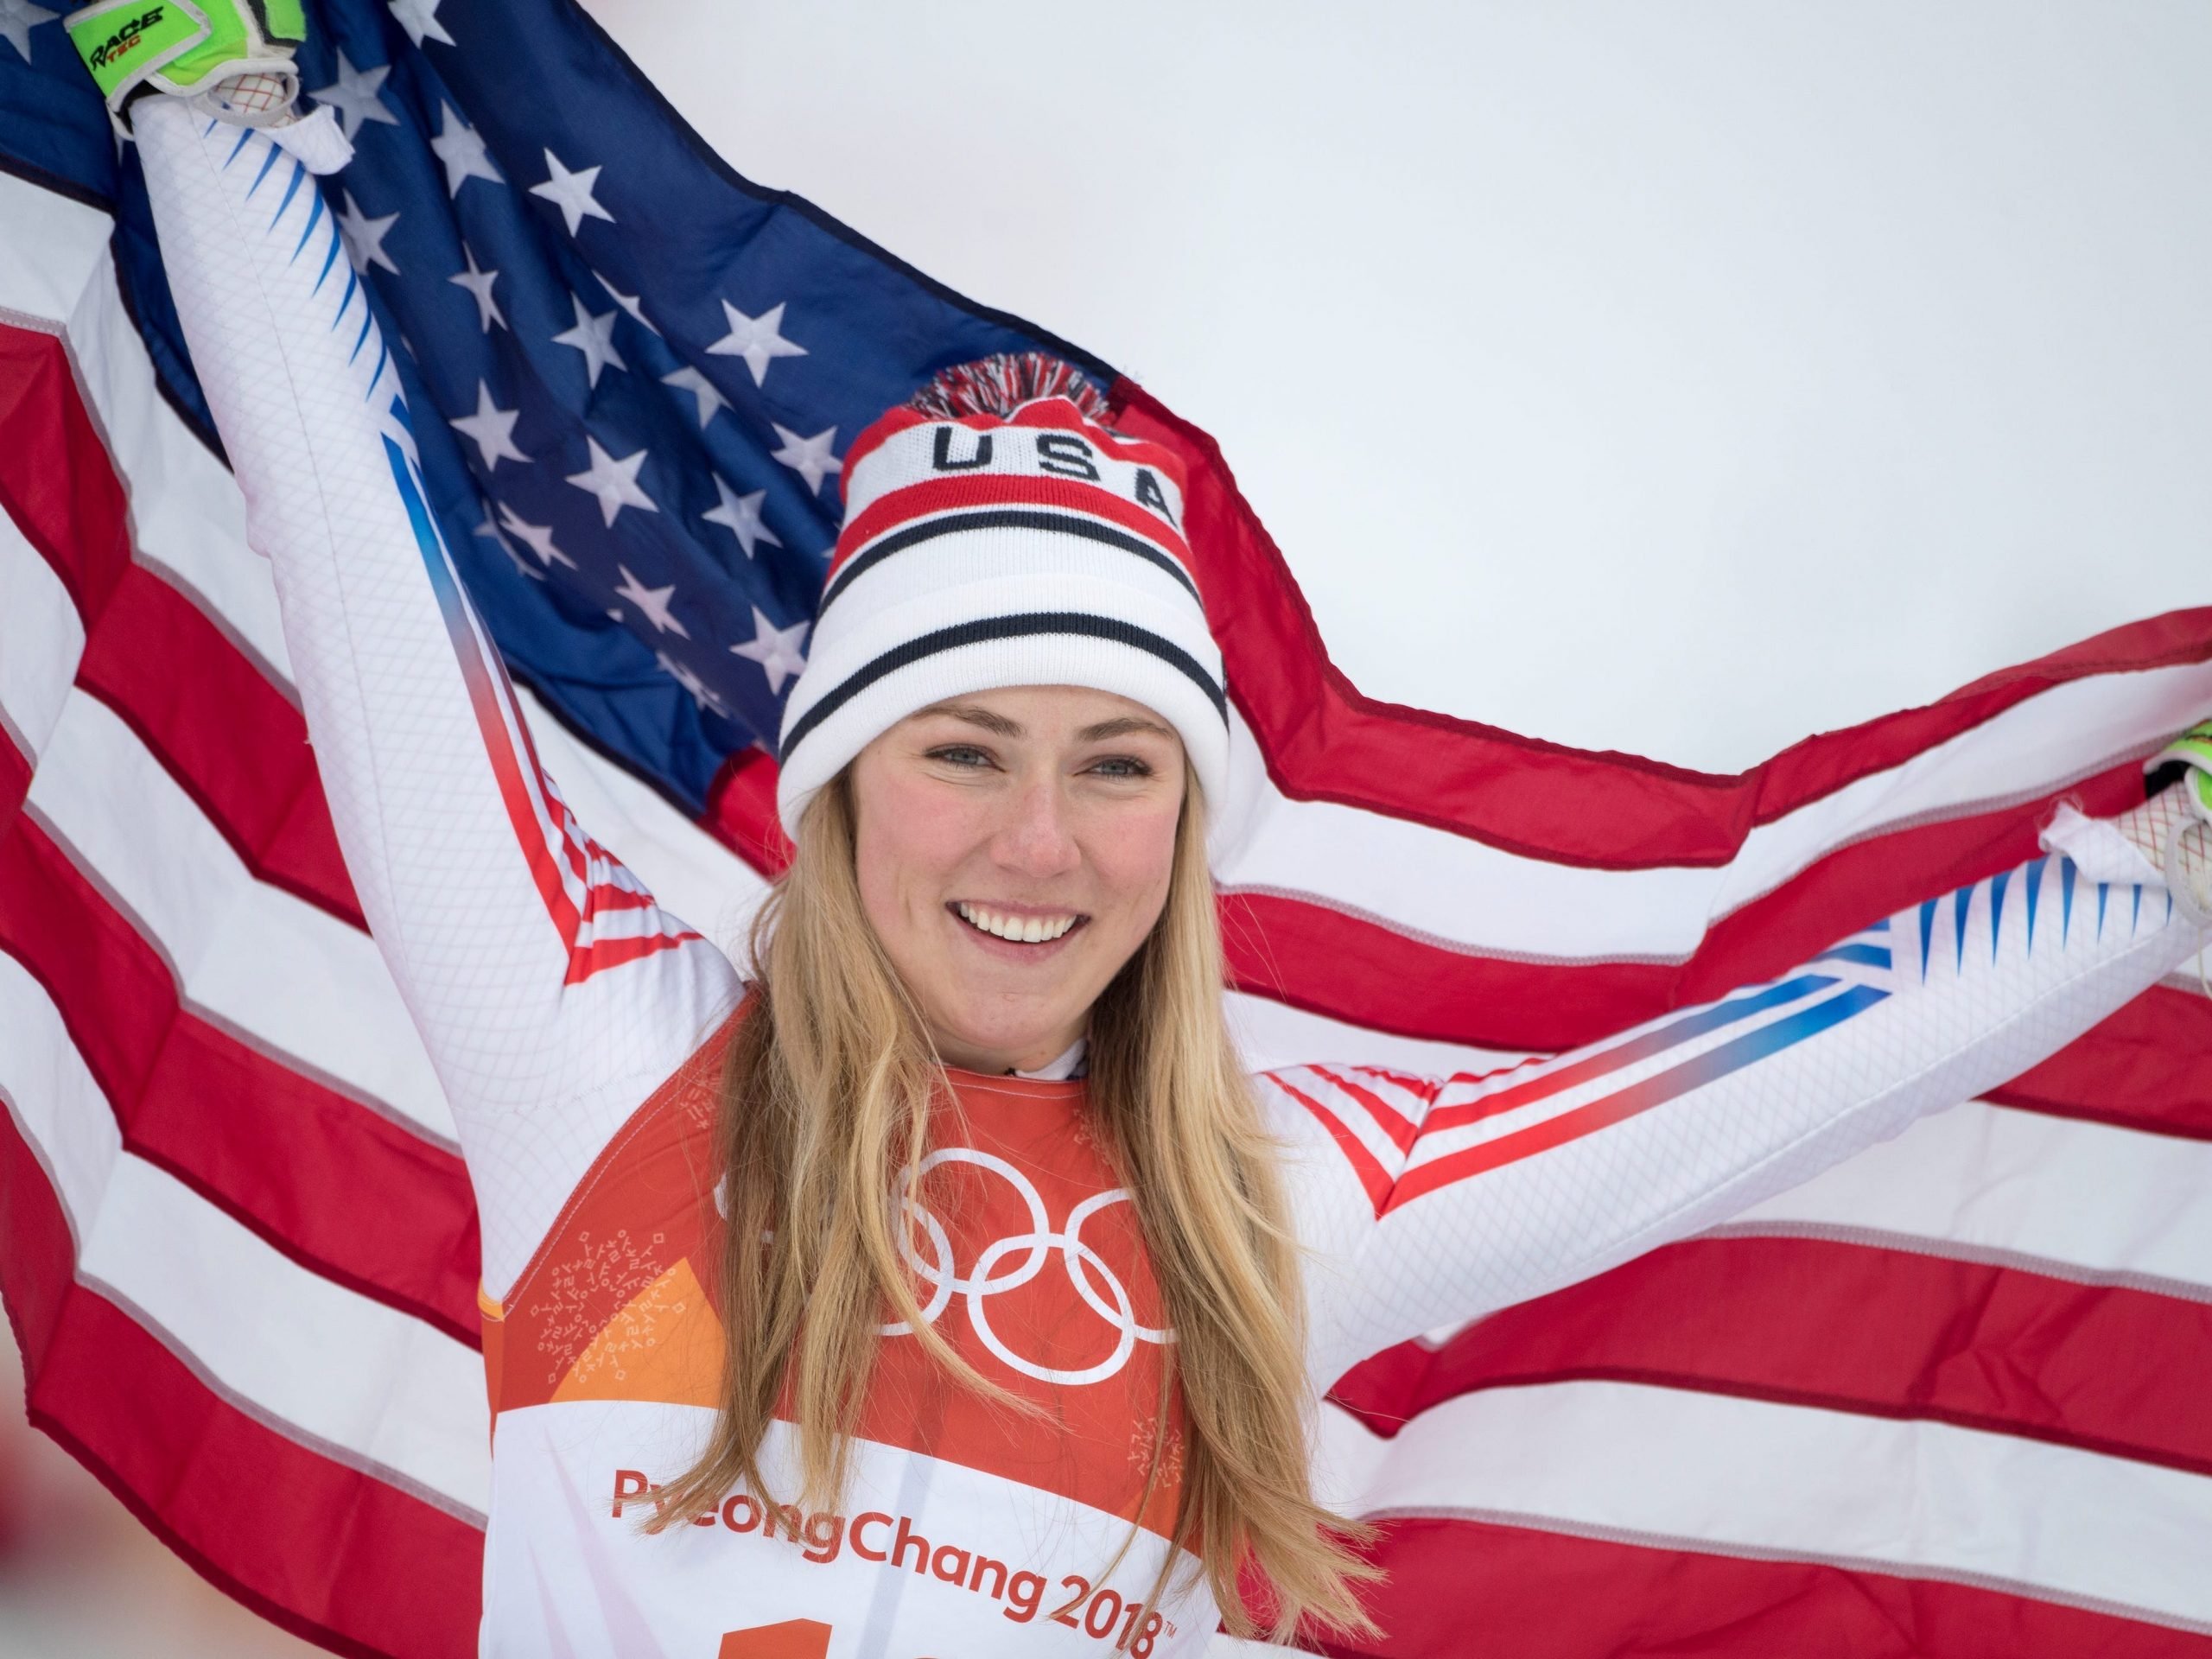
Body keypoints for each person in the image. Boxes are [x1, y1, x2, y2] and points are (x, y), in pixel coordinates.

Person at [64, 8, 2212, 1654]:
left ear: (1184, 835)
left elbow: (1768, 1068)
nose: (1039, 840)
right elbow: (371, 573)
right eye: (960, 748)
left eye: (1117, 767)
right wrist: (194, 105)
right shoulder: (615, 1071)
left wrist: (2156, 873)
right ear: (831, 792)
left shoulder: (1267, 1218)